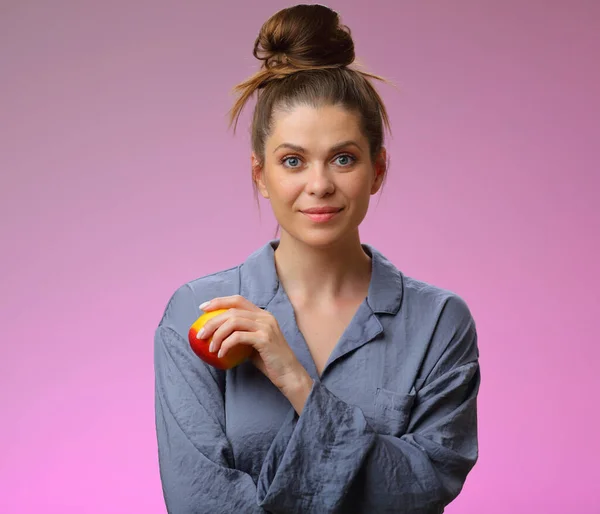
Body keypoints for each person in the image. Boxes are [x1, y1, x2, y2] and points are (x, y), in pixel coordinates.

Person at [154, 4, 480, 513]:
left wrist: (300, 384)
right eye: (293, 161)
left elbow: (421, 488)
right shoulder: (197, 314)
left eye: (344, 158)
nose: (320, 184)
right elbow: (200, 502)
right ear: (261, 175)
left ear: (378, 169)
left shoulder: (438, 322)